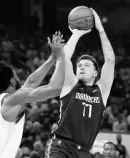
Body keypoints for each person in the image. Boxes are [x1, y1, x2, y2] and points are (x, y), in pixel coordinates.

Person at [0, 32, 66, 158]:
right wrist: (61, 56)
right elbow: (55, 88)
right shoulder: (11, 100)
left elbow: (31, 82)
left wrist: (53, 57)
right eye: (16, 75)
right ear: (12, 81)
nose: (19, 77)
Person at [46, 8, 115, 158]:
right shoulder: (71, 84)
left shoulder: (101, 90)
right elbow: (64, 58)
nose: (82, 67)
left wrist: (100, 29)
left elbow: (110, 61)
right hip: (62, 146)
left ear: (96, 73)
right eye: (80, 66)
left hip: (84, 152)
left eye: (87, 65)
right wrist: (77, 33)